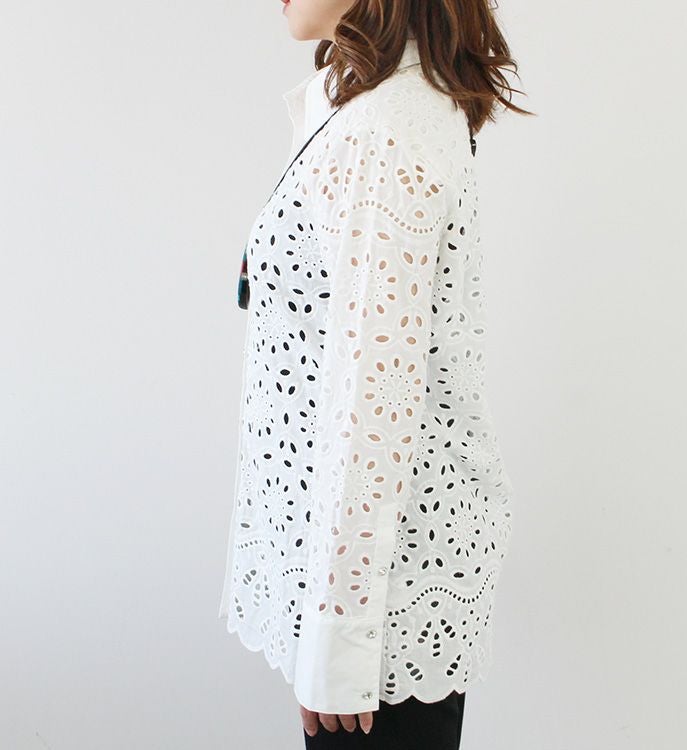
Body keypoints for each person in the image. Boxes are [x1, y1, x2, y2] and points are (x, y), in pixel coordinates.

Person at [218, 1, 533, 747]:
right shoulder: (364, 107)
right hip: (371, 582)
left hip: (382, 602)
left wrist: (341, 645)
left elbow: (374, 399)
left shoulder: (386, 130)